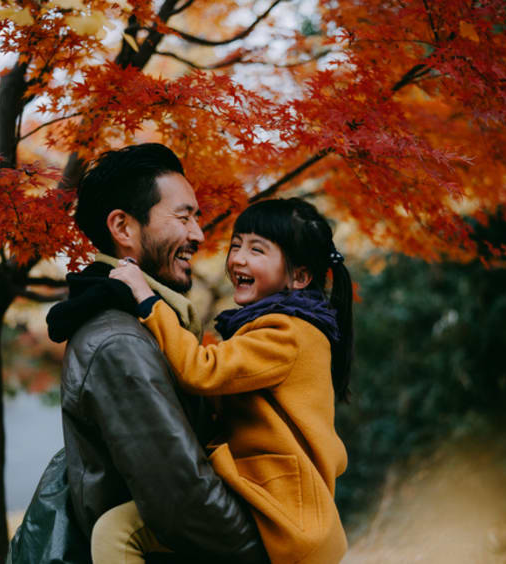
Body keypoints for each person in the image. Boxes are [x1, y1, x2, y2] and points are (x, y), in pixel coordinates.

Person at [7, 144, 268, 564]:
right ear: (123, 228)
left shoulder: (147, 326)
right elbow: (184, 500)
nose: (198, 235)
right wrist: (271, 550)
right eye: (183, 217)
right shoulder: (119, 342)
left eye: (196, 218)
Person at [99, 197, 353, 564]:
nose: (238, 259)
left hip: (277, 514)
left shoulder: (286, 333)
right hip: (264, 502)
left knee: (117, 532)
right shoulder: (276, 328)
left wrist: (146, 298)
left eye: (257, 249)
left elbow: (202, 370)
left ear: (299, 277)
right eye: (236, 245)